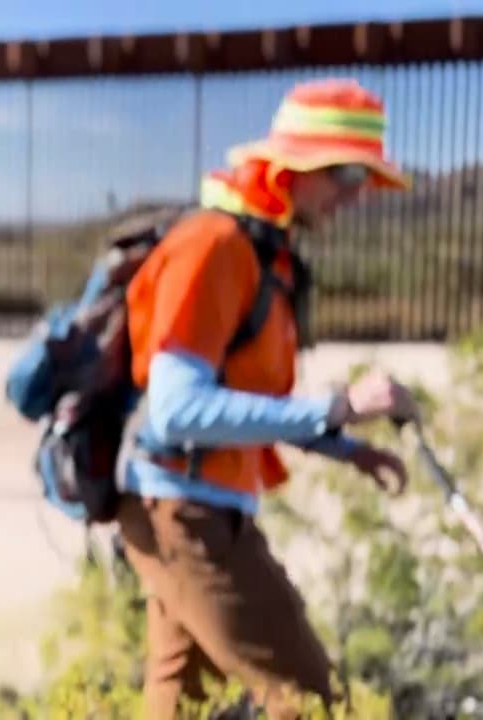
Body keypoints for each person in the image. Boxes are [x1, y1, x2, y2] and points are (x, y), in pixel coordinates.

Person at [113, 79, 422, 719]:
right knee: (311, 700)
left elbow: (244, 406)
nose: (355, 194)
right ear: (290, 171)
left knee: (183, 704)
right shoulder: (214, 247)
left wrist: (347, 450)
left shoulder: (262, 260)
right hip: (184, 515)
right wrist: (335, 407)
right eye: (343, 173)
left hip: (199, 508)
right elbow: (178, 410)